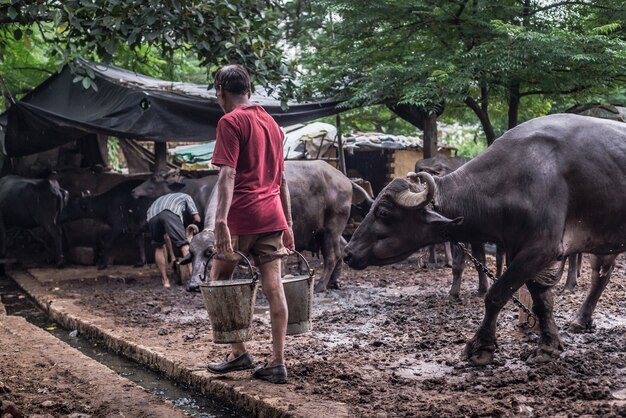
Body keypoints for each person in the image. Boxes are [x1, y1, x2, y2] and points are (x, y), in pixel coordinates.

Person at [205, 64, 295, 384]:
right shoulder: (273, 124)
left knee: (219, 280)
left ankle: (238, 351)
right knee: (274, 285)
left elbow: (227, 175)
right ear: (250, 89)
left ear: (220, 92)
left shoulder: (230, 122)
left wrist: (220, 221)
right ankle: (277, 361)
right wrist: (288, 223)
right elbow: (282, 179)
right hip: (273, 216)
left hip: (242, 215)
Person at [146, 192, 201, 288]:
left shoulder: (160, 199)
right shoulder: (186, 196)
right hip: (169, 212)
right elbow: (197, 218)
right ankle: (194, 279)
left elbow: (166, 235)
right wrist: (191, 229)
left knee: (158, 247)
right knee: (184, 245)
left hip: (152, 215)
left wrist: (172, 256)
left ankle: (165, 281)